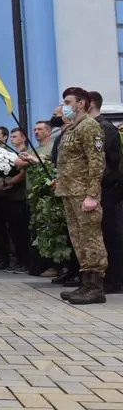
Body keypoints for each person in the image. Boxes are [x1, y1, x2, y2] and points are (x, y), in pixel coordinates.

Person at [55, 87, 108, 304]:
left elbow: (97, 162)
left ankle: (95, 287)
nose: (64, 107)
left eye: (68, 102)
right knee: (78, 239)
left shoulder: (89, 126)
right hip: (69, 191)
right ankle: (85, 283)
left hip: (83, 193)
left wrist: (92, 195)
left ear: (81, 103)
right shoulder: (71, 128)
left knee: (90, 239)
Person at [88, 91, 123, 294]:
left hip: (107, 187)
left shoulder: (104, 127)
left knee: (110, 233)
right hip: (97, 187)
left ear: (90, 104)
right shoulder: (90, 126)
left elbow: (101, 159)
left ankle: (114, 279)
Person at [0, 126, 31, 273]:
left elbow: (22, 173)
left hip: (16, 196)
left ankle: (23, 260)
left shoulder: (19, 153)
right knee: (2, 229)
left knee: (19, 230)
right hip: (2, 196)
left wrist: (6, 183)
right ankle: (4, 258)